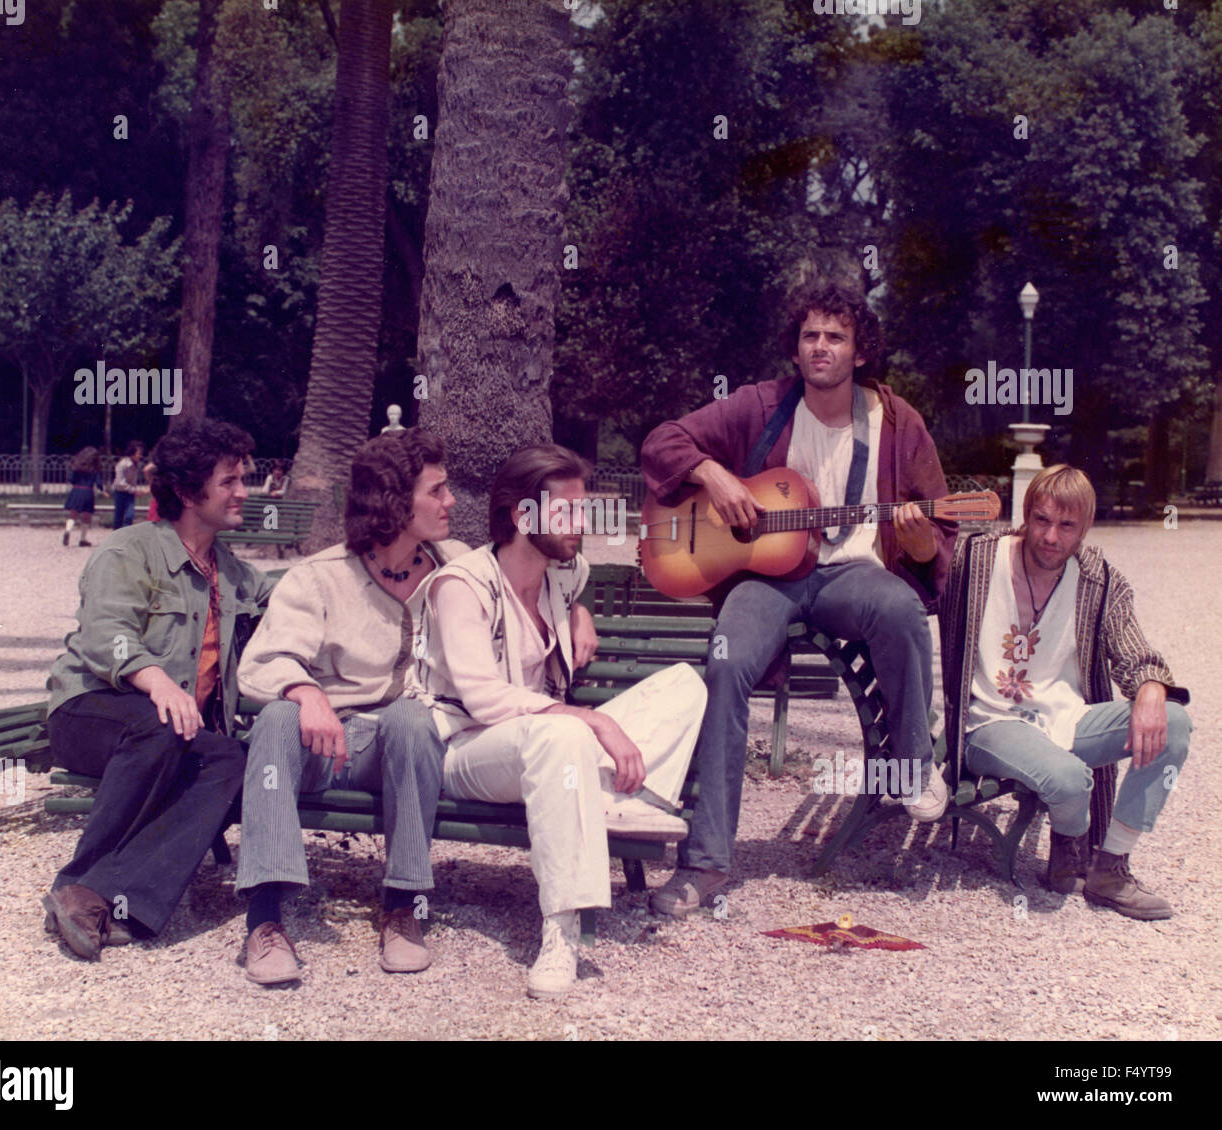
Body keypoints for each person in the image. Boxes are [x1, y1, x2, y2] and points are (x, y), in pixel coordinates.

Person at [639, 274, 955, 917]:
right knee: (725, 666)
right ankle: (705, 865)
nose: (820, 347)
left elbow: (937, 537)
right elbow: (661, 441)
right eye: (810, 335)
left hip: (851, 575)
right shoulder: (760, 405)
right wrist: (711, 472)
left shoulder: (896, 421)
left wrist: (921, 544)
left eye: (835, 337)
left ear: (860, 350)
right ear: (795, 347)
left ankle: (916, 765)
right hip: (765, 578)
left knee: (898, 610)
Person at [415, 444, 706, 999]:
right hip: (468, 748)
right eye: (569, 511)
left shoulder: (565, 571)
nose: (584, 524)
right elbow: (479, 696)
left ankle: (627, 799)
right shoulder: (462, 586)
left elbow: (572, 588)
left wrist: (578, 611)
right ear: (524, 518)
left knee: (686, 685)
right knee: (565, 730)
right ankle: (562, 930)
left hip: (546, 742)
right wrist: (591, 720)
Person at [233, 429, 466, 984]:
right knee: (275, 717)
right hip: (329, 743)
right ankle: (264, 919)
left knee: (412, 716)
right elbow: (261, 664)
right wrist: (307, 692)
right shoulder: (320, 576)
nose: (450, 501)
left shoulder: (459, 565)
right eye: (436, 491)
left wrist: (575, 609)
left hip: (412, 743)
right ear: (393, 503)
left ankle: (403, 907)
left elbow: (549, 566)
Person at [41, 419, 276, 959]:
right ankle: (79, 880)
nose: (244, 491)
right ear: (192, 492)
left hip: (169, 728)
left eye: (243, 479)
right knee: (160, 723)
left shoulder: (235, 574)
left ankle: (105, 895)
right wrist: (158, 682)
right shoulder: (130, 551)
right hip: (88, 712)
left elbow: (294, 601)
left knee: (228, 758)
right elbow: (107, 636)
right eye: (230, 482)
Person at [940, 464, 1191, 918]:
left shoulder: (1097, 580)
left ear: (1084, 530)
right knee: (1071, 779)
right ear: (1026, 514)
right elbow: (922, 578)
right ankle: (1068, 847)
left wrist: (1152, 686)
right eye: (1042, 520)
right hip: (991, 724)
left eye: (1066, 526)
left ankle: (1110, 869)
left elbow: (1134, 649)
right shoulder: (978, 559)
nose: (1051, 537)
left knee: (1174, 721)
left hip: (1065, 720)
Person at [61, 446, 107, 547]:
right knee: (86, 516)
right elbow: (98, 483)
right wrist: (103, 491)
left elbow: (71, 479)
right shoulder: (95, 470)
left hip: (76, 490)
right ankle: (83, 539)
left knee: (73, 514)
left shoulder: (76, 467)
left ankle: (68, 530)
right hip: (88, 492)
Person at [111, 440, 145, 529]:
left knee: (129, 515)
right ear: (132, 453)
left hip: (129, 493)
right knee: (119, 515)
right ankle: (116, 535)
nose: (140, 456)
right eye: (139, 453)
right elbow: (120, 482)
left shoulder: (136, 465)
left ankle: (126, 535)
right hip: (120, 492)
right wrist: (134, 490)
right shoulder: (122, 464)